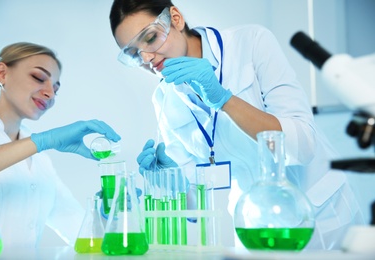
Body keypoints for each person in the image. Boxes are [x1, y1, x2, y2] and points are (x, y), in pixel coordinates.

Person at [108, 0, 365, 250]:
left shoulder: (251, 43)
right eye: (134, 53)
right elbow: (195, 207)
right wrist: (171, 181)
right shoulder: (165, 99)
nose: (147, 57)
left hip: (321, 215)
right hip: (253, 226)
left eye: (150, 38)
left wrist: (224, 99)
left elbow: (303, 146)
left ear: (175, 19)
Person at [0, 42, 121, 248]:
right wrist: (43, 141)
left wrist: (108, 212)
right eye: (38, 78)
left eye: (56, 88)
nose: (50, 94)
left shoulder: (40, 159)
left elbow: (83, 235)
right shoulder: (37, 146)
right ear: (2, 73)